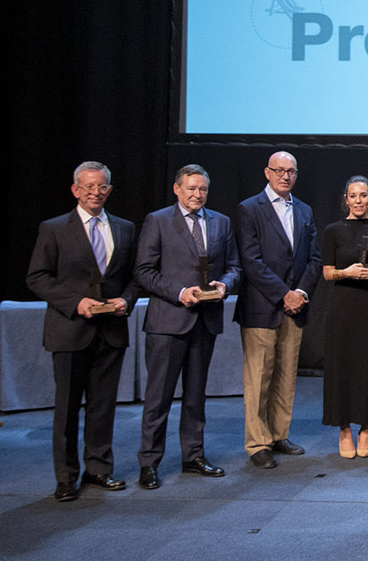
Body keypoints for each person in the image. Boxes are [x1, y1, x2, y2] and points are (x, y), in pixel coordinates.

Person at [25, 161, 138, 501]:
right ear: (75, 190)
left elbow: (135, 276)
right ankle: (66, 477)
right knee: (67, 407)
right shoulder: (55, 228)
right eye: (88, 187)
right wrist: (77, 303)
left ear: (109, 190)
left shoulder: (125, 228)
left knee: (103, 407)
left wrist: (126, 299)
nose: (95, 192)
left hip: (111, 331)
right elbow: (37, 277)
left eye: (101, 186)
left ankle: (99, 470)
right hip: (70, 330)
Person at [134, 164, 241, 490]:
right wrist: (180, 293)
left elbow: (235, 266)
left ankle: (193, 455)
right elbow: (144, 271)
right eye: (191, 188)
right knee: (159, 398)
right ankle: (149, 463)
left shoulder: (220, 222)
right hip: (168, 322)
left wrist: (224, 285)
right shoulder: (158, 221)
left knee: (196, 396)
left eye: (202, 189)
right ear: (177, 189)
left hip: (205, 322)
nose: (197, 195)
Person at [235, 151, 322, 469]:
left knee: (286, 375)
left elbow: (314, 259)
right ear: (267, 173)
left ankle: (278, 434)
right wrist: (283, 293)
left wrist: (299, 293)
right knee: (259, 377)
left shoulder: (304, 210)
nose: (286, 176)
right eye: (280, 171)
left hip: (295, 307)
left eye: (291, 171)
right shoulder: (249, 209)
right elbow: (251, 261)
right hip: (262, 307)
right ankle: (258, 443)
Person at [319, 176, 368, 458]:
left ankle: (365, 428)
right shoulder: (333, 231)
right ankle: (344, 429)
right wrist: (347, 272)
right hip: (343, 308)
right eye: (354, 196)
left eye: (364, 195)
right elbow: (327, 272)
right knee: (343, 367)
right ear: (346, 199)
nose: (359, 200)